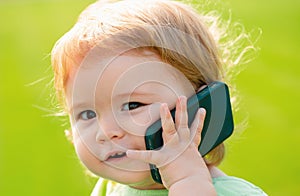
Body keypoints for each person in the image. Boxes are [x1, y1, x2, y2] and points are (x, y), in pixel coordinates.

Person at [50, 0, 267, 195]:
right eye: (87, 114)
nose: (107, 132)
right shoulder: (109, 188)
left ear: (201, 106)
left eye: (133, 105)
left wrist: (187, 182)